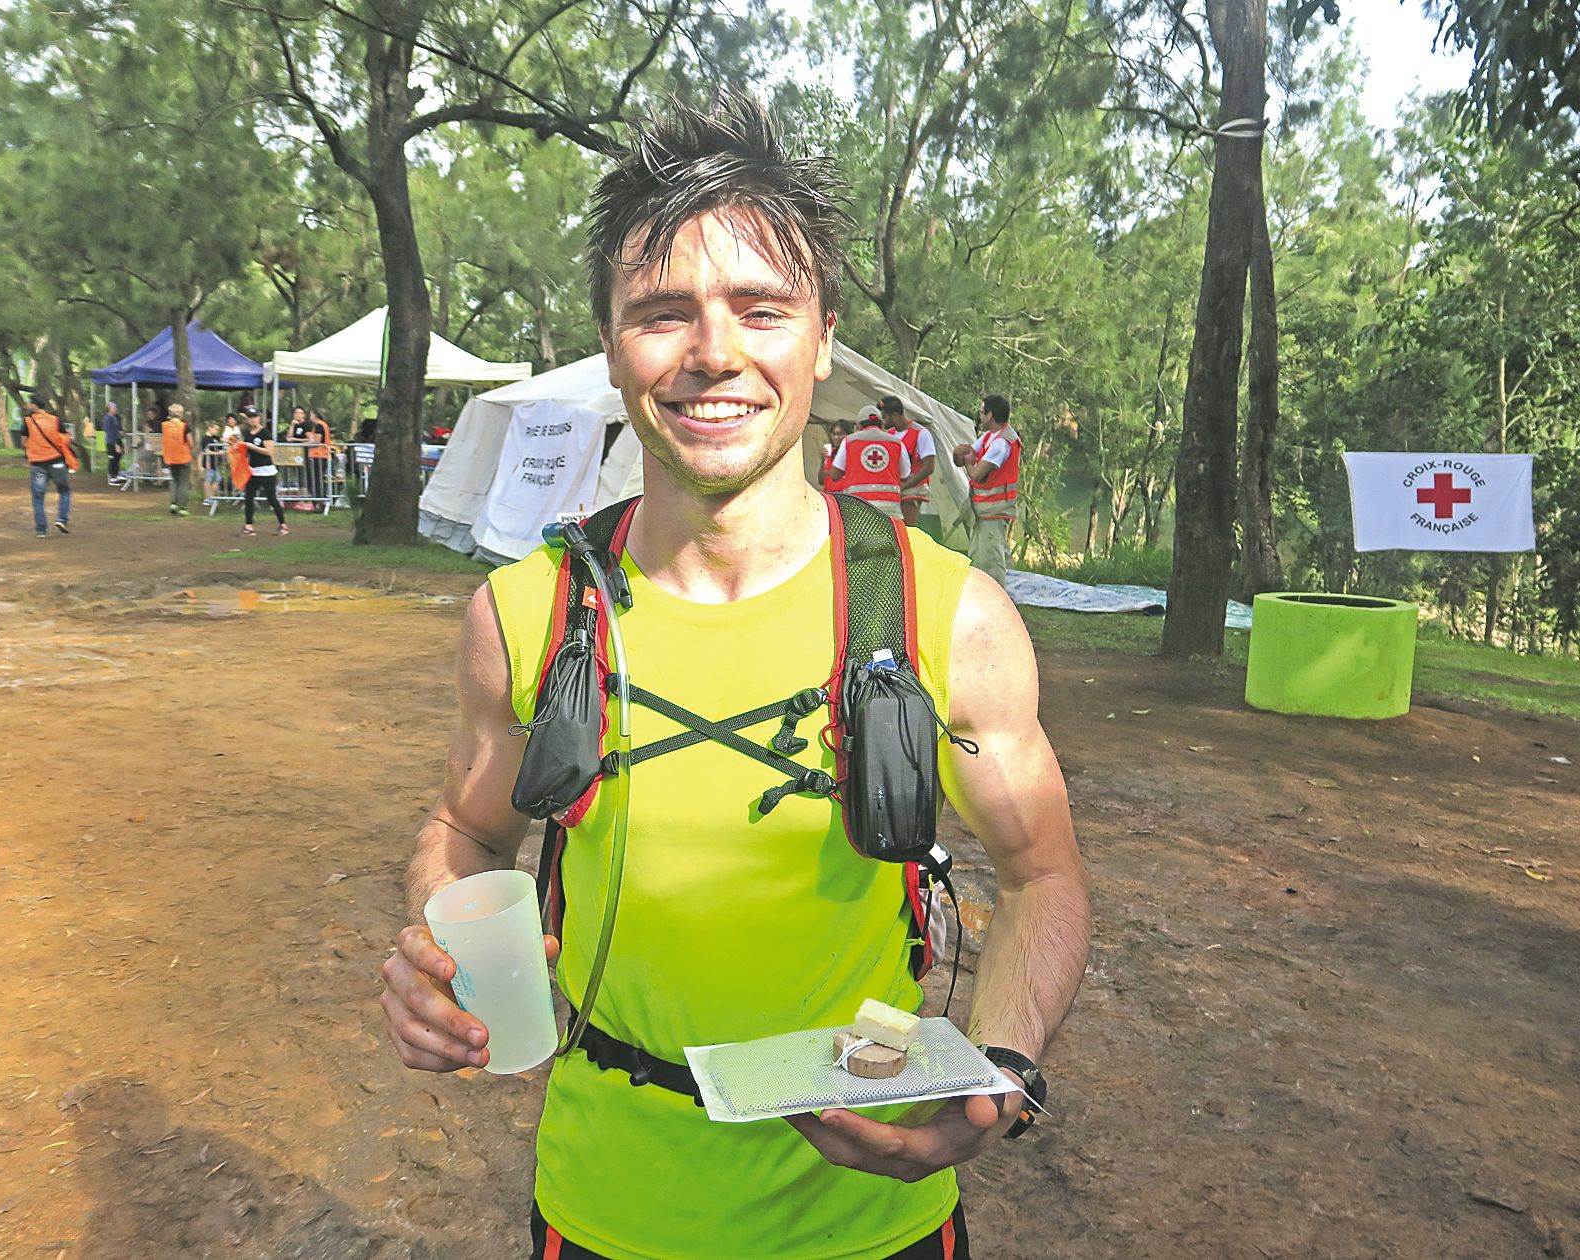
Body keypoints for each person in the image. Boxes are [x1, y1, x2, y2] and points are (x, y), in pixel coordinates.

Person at [379, 96, 1089, 1260]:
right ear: (612, 345)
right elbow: (462, 832)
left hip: (876, 1227)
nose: (714, 354)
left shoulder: (947, 614)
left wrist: (999, 1074)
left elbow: (1043, 872)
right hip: (607, 1209)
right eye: (663, 314)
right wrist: (435, 949)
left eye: (759, 309)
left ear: (821, 339)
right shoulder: (527, 614)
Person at [951, 395, 1020, 589]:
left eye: (982, 412)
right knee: (978, 553)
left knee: (991, 557)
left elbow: (976, 473)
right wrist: (959, 454)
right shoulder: (990, 436)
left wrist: (965, 461)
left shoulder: (1002, 443)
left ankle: (996, 593)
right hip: (982, 508)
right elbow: (965, 457)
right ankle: (982, 589)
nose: (980, 416)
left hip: (994, 508)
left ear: (990, 415)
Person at [830, 403, 910, 518]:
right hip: (890, 511)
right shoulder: (897, 443)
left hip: (858, 509)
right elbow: (905, 475)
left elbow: (834, 475)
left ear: (859, 425)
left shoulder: (849, 441)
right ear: (882, 424)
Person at [18, 394, 76, 538]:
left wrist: (34, 447)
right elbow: (66, 438)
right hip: (56, 461)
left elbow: (23, 443)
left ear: (34, 405)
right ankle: (61, 519)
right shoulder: (55, 420)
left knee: (38, 497)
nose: (27, 406)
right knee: (64, 491)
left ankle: (41, 530)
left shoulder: (28, 421)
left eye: (29, 403)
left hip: (37, 463)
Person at [884, 395, 937, 530]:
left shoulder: (921, 434)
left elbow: (929, 467)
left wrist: (905, 485)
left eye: (885, 416)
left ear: (895, 415)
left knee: (909, 530)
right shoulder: (889, 435)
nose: (883, 421)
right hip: (896, 490)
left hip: (914, 489)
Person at [238, 411, 289, 536]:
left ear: (259, 418)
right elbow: (246, 450)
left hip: (266, 470)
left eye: (255, 417)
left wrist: (252, 447)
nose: (253, 420)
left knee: (271, 498)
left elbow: (269, 451)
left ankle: (283, 524)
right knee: (248, 497)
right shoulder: (248, 433)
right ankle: (249, 526)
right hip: (253, 470)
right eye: (250, 418)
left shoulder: (264, 432)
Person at [162, 403, 194, 515]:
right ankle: (183, 507)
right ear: (181, 414)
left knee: (174, 481)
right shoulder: (184, 426)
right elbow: (191, 442)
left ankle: (173, 503)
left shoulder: (164, 425)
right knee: (183, 483)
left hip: (170, 457)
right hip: (183, 457)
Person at [304, 408, 335, 503]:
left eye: (311, 414)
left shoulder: (319, 426)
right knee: (317, 479)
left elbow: (317, 441)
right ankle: (318, 500)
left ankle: (319, 500)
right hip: (320, 455)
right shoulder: (322, 425)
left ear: (314, 415)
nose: (310, 417)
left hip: (318, 455)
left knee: (316, 479)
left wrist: (306, 444)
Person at [819, 419, 853, 493]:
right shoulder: (830, 453)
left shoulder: (852, 453)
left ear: (849, 435)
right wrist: (823, 460)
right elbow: (821, 481)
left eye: (839, 434)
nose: (835, 437)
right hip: (829, 496)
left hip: (845, 497)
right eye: (833, 434)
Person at [201, 422, 226, 498]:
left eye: (217, 430)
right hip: (209, 463)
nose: (216, 431)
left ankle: (211, 496)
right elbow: (206, 451)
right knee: (208, 480)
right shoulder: (205, 438)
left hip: (216, 463)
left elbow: (222, 441)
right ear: (210, 428)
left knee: (217, 479)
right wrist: (217, 453)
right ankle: (207, 498)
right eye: (215, 429)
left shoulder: (215, 437)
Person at [101, 402, 124, 481]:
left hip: (117, 440)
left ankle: (116, 474)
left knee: (117, 458)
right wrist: (115, 444)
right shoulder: (108, 418)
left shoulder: (116, 417)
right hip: (111, 442)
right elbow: (109, 431)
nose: (115, 409)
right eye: (114, 408)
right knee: (112, 459)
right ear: (109, 409)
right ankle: (112, 476)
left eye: (116, 408)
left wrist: (120, 433)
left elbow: (117, 429)